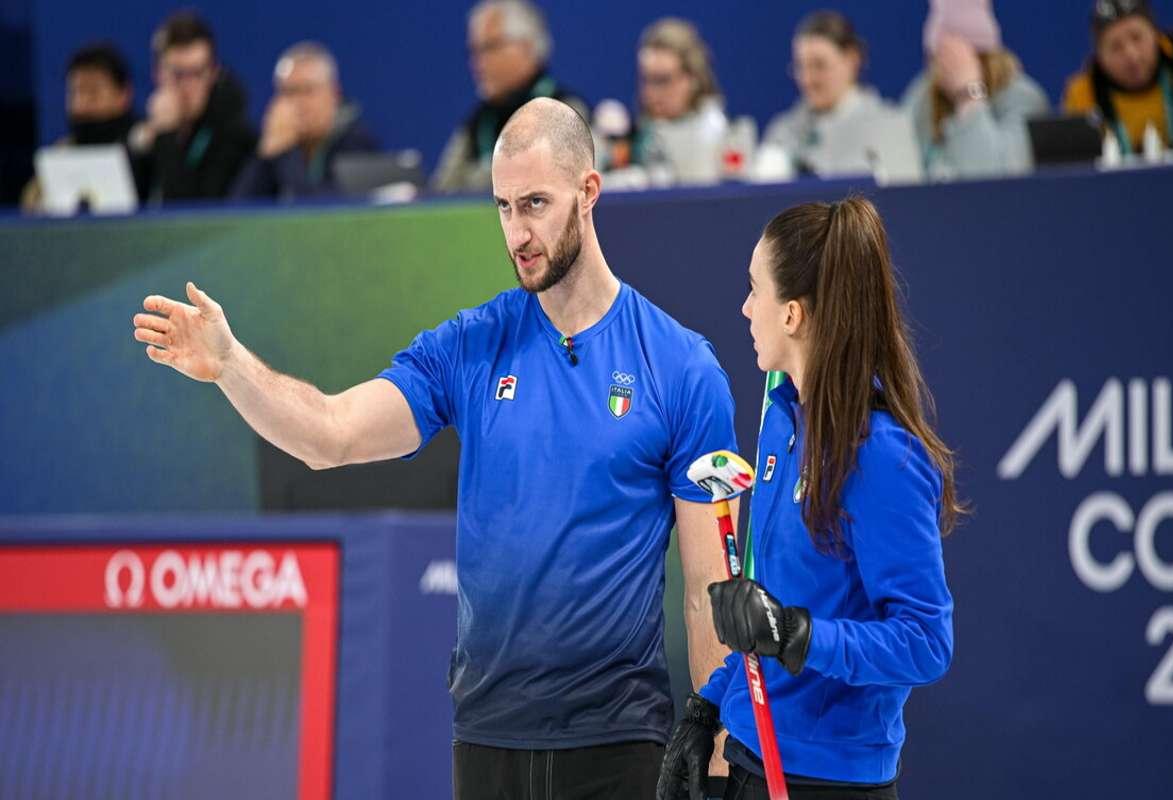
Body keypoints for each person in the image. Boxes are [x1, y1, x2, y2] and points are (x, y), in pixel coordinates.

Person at [132, 97, 735, 799]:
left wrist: (718, 740)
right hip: (486, 740)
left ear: (589, 192)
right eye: (505, 208)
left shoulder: (682, 368)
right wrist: (232, 365)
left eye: (536, 203)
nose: (519, 232)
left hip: (620, 743)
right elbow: (332, 434)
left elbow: (707, 591)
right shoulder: (470, 346)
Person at [657, 197, 962, 799]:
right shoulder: (780, 420)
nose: (745, 309)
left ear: (793, 314)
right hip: (752, 753)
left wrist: (801, 635)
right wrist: (708, 707)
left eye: (755, 291)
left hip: (829, 779)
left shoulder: (882, 455)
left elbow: (926, 641)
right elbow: (764, 616)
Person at [432, 0, 587, 193]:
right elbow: (440, 193)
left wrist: (479, 176)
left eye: (489, 47)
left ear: (527, 47)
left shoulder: (566, 110)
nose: (477, 63)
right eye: (473, 51)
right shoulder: (477, 123)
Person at [757, 11, 916, 180]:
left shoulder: (889, 127)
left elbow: (908, 201)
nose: (807, 79)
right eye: (801, 66)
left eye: (819, 65)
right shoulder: (783, 132)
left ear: (852, 60)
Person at [902, 0, 1050, 179]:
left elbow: (995, 178)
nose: (944, 66)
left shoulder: (1023, 97)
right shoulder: (924, 95)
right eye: (938, 56)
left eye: (954, 56)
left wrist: (968, 95)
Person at [129, 11, 256, 202]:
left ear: (213, 74)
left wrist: (166, 137)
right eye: (178, 74)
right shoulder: (141, 136)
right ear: (157, 74)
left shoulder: (237, 138)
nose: (187, 86)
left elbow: (193, 218)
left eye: (197, 73)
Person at [231, 42, 379, 200]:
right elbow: (238, 212)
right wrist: (265, 156)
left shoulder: (356, 143)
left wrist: (284, 153)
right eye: (288, 92)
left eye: (308, 91)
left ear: (334, 93)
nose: (298, 103)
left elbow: (320, 212)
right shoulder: (275, 144)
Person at [21, 42, 151, 211]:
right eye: (75, 92)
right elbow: (30, 207)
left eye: (93, 92)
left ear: (123, 94)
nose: (81, 104)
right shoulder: (63, 152)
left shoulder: (147, 147)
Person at [1063, 0, 1173, 155]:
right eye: (1116, 47)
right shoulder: (1083, 92)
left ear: (1156, 34)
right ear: (1100, 57)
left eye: (1137, 38)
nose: (1131, 55)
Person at [633, 17, 729, 186]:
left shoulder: (719, 135)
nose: (650, 93)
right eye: (646, 79)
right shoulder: (633, 136)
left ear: (692, 78)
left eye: (662, 80)